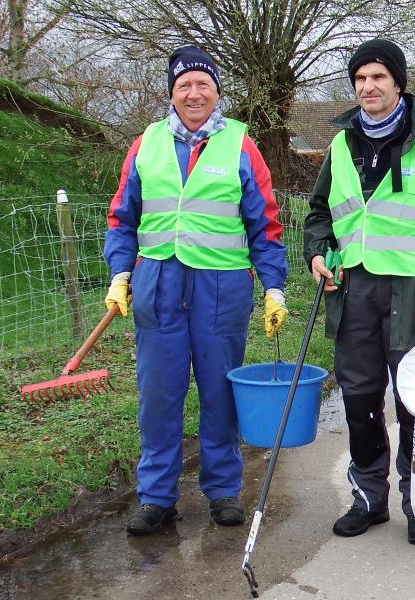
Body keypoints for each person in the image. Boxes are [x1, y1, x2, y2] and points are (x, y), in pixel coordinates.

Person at [104, 45, 289, 536]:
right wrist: (120, 275)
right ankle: (157, 497)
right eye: (184, 84)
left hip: (221, 289)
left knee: (219, 392)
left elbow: (265, 227)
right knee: (159, 395)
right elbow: (122, 219)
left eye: (202, 84)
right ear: (171, 92)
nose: (193, 93)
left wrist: (275, 289)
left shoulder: (242, 146)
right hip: (157, 285)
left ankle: (224, 492)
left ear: (217, 92)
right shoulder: (145, 145)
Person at [303, 39, 415, 546]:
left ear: (398, 83)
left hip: (414, 299)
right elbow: (318, 215)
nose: (368, 87)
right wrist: (317, 252)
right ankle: (368, 500)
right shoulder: (341, 145)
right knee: (359, 401)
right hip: (352, 292)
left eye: (378, 77)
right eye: (360, 79)